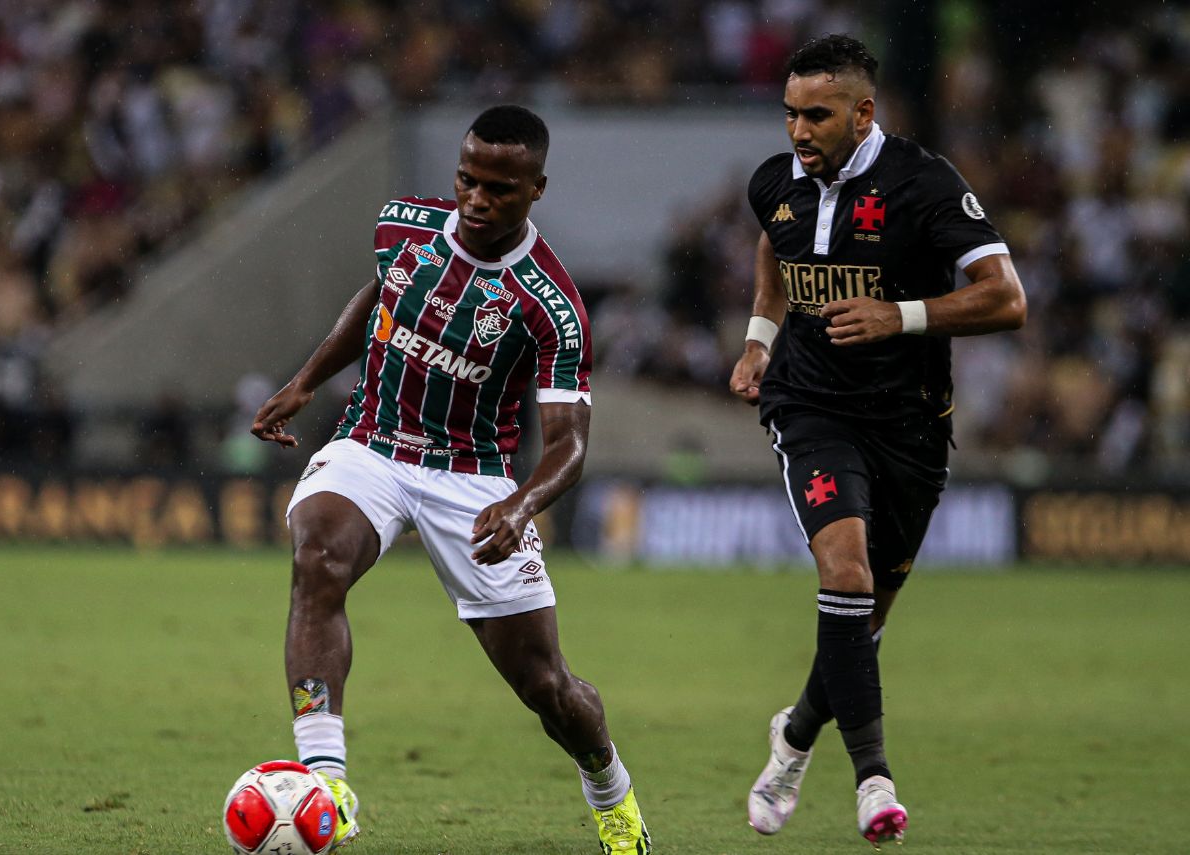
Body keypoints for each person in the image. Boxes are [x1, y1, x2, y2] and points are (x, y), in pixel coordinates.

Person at [251, 105, 651, 854]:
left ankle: (613, 794)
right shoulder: (402, 222)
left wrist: (520, 502)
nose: (476, 199)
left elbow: (569, 445)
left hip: (475, 480)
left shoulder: (552, 306)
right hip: (372, 443)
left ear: (536, 188)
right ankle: (326, 778)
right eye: (467, 179)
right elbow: (381, 292)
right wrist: (307, 379)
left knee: (546, 686)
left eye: (498, 188)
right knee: (318, 554)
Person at [729, 35, 1026, 847]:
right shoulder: (775, 183)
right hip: (811, 409)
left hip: (910, 429)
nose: (798, 131)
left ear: (863, 113)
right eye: (790, 113)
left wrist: (905, 314)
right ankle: (873, 779)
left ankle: (791, 741)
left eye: (817, 115)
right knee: (845, 569)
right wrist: (760, 337)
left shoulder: (923, 184)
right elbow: (774, 242)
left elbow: (1008, 299)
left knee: (859, 618)